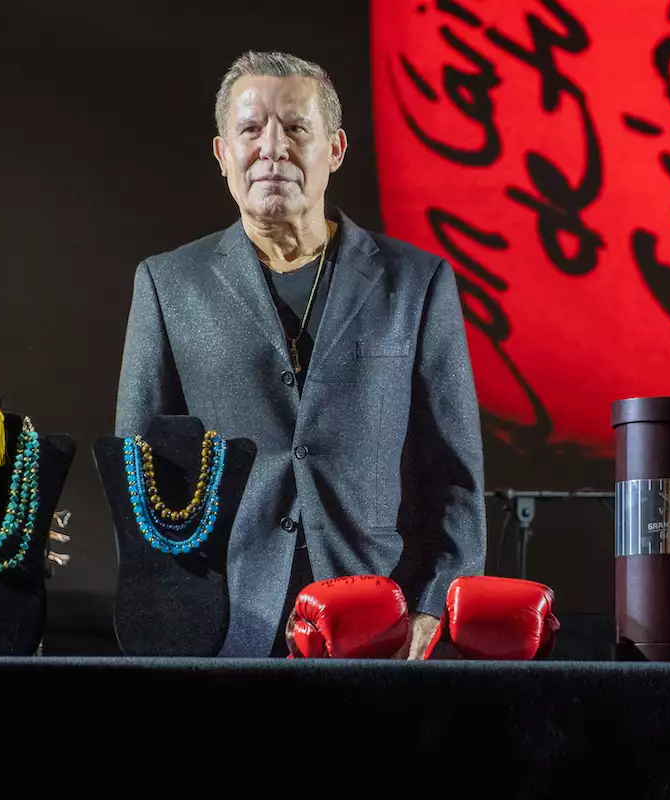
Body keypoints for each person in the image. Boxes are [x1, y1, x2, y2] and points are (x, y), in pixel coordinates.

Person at [114, 51, 486, 658]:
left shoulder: (417, 282)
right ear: (222, 154)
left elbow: (454, 473)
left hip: (381, 624)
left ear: (334, 149)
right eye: (251, 129)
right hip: (223, 623)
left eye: (296, 128)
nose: (273, 148)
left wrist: (431, 604)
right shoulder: (168, 285)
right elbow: (138, 471)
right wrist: (164, 610)